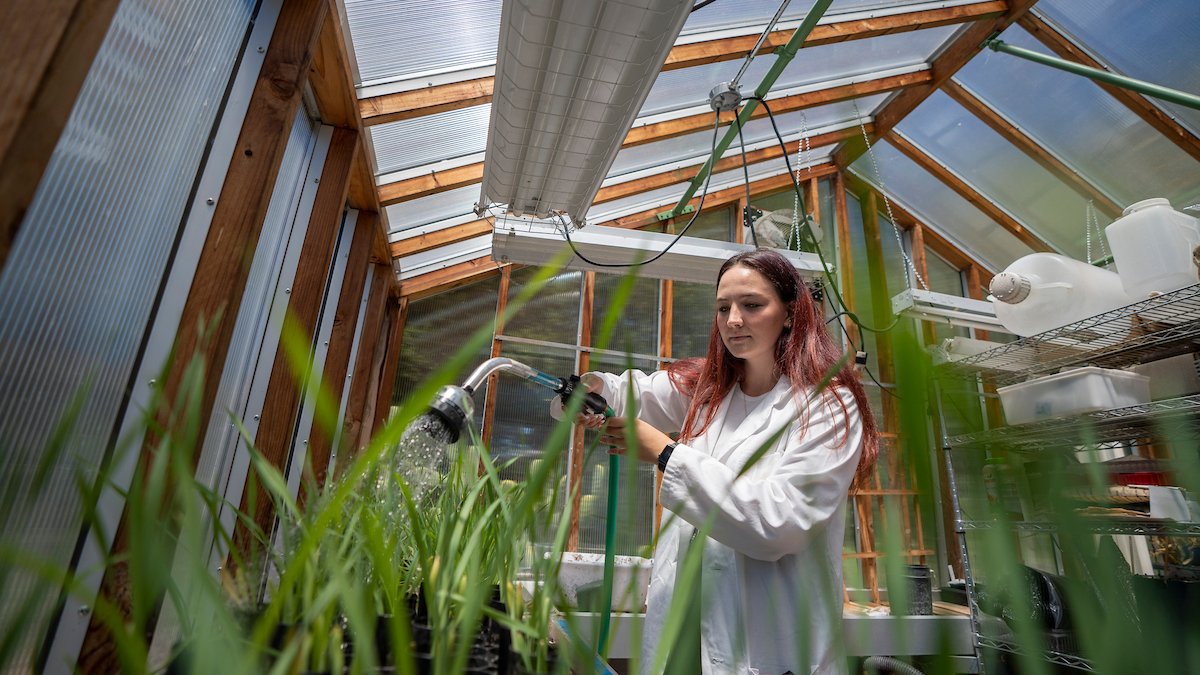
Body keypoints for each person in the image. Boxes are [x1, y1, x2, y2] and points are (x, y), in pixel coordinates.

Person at [562, 249, 878, 674]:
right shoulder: (711, 390)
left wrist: (665, 452)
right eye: (723, 307)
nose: (733, 320)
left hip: (766, 647)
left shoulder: (827, 404)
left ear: (789, 313)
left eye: (752, 305)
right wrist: (592, 390)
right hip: (685, 631)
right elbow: (635, 392)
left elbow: (777, 522)